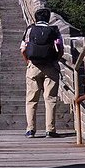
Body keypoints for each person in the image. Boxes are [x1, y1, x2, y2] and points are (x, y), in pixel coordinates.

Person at [20, 8, 63, 138]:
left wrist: (28, 61)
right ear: (48, 18)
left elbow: (23, 49)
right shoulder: (54, 30)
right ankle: (50, 130)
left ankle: (30, 130)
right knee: (50, 99)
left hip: (34, 67)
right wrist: (56, 59)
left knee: (31, 100)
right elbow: (60, 48)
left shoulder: (30, 30)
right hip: (51, 67)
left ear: (35, 18)